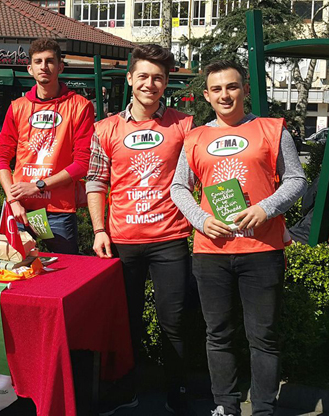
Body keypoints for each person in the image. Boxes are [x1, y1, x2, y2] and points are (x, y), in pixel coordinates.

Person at [171, 60, 307, 416]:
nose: (225, 95)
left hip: (262, 250)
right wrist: (201, 220)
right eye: (216, 89)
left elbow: (296, 179)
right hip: (211, 252)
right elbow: (179, 186)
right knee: (218, 334)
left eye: (232, 87)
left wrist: (266, 209)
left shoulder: (272, 130)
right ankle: (226, 406)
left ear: (245, 89)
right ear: (206, 95)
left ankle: (263, 409)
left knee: (263, 336)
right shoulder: (195, 137)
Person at [86, 44, 195, 416]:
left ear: (166, 83)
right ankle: (126, 389)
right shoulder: (105, 129)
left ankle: (177, 390)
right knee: (125, 323)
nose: (151, 84)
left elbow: (202, 174)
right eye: (144, 76)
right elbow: (96, 182)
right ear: (130, 79)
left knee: (174, 321)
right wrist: (99, 230)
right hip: (121, 241)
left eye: (158, 78)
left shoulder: (185, 125)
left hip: (170, 240)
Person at [0, 38, 94, 254]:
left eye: (49, 61)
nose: (44, 66)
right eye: (38, 61)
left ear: (60, 67)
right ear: (30, 69)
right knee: (15, 268)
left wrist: (38, 186)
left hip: (59, 211)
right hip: (20, 208)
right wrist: (12, 200)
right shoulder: (17, 107)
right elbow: (1, 158)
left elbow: (82, 163)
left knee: (66, 270)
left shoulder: (80, 106)